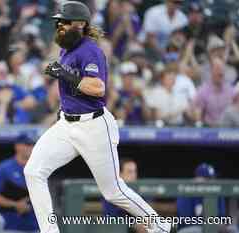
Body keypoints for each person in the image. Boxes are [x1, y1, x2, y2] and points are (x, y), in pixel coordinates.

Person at [23, 2, 171, 233]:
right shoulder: (67, 50)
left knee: (113, 191)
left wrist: (65, 75)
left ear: (80, 24)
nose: (59, 26)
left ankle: (159, 225)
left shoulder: (90, 50)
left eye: (64, 22)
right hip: (66, 124)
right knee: (33, 171)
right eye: (58, 22)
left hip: (94, 125)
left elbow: (98, 87)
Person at [0, 133, 39, 233]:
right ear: (17, 146)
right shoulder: (5, 168)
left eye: (33, 145)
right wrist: (15, 204)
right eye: (27, 144)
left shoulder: (39, 168)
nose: (31, 148)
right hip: (10, 226)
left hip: (34, 226)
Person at [177, 163, 226, 233]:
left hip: (214, 227)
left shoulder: (217, 192)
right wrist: (207, 225)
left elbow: (222, 217)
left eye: (213, 178)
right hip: (191, 228)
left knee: (233, 229)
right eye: (207, 179)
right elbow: (186, 219)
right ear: (197, 179)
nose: (211, 182)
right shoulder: (186, 191)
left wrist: (221, 225)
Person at [102, 158, 146, 233]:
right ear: (120, 174)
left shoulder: (140, 190)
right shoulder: (112, 191)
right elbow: (112, 217)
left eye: (134, 171)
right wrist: (133, 224)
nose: (133, 175)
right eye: (129, 172)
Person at [192, 57, 235, 127]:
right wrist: (199, 124)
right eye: (218, 69)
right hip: (210, 129)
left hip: (229, 130)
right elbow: (197, 112)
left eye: (222, 69)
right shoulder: (203, 91)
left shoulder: (230, 90)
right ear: (211, 71)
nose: (220, 72)